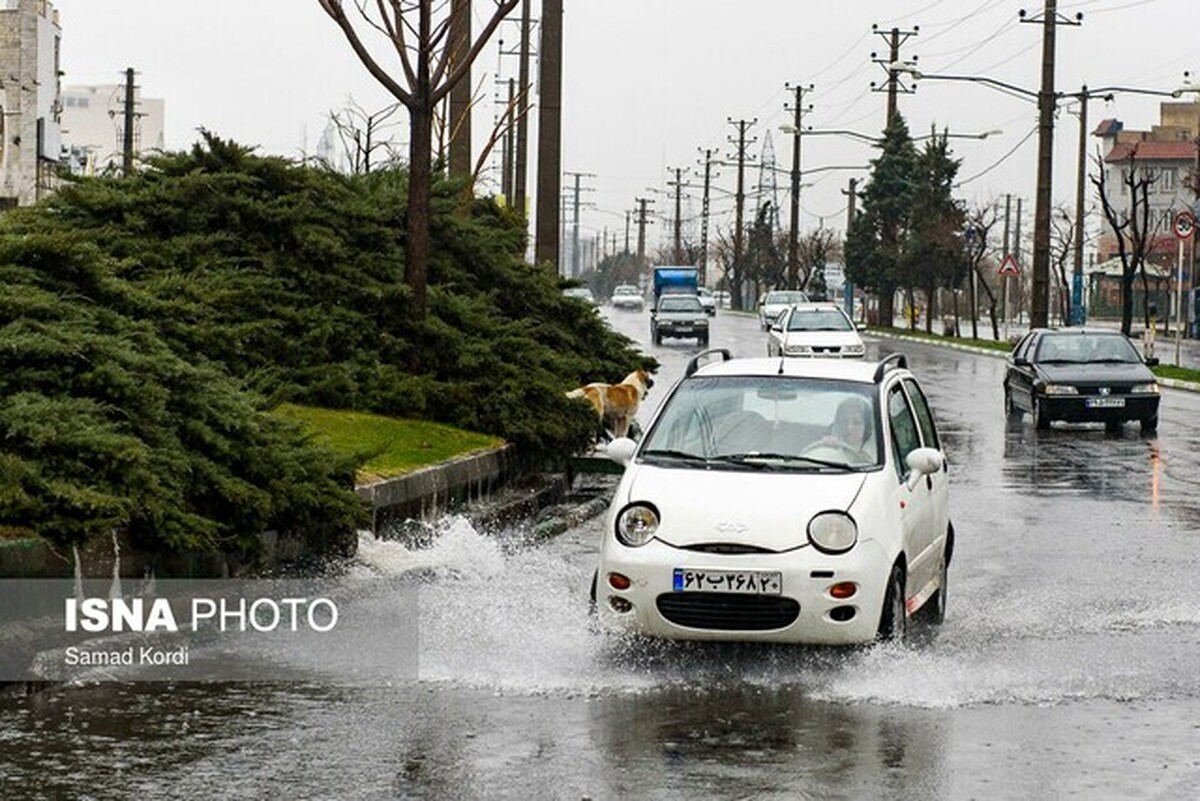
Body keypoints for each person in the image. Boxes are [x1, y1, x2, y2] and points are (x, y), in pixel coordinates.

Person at [815, 396, 873, 461]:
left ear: (866, 428)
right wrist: (826, 448)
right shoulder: (827, 447)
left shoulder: (873, 458)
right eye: (844, 421)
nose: (849, 427)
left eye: (856, 423)